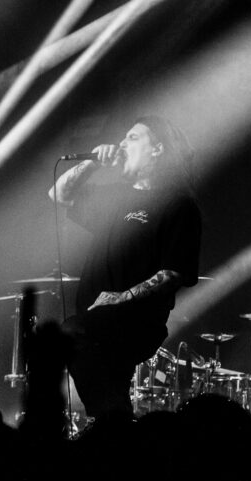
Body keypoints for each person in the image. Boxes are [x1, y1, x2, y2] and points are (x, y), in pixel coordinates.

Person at [49, 116, 201, 420]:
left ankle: (113, 427)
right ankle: (116, 432)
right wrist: (93, 162)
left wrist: (121, 297)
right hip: (94, 317)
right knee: (108, 390)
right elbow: (58, 195)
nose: (122, 144)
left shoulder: (177, 205)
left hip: (135, 322)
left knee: (72, 335)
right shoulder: (115, 196)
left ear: (156, 150)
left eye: (133, 138)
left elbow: (174, 272)